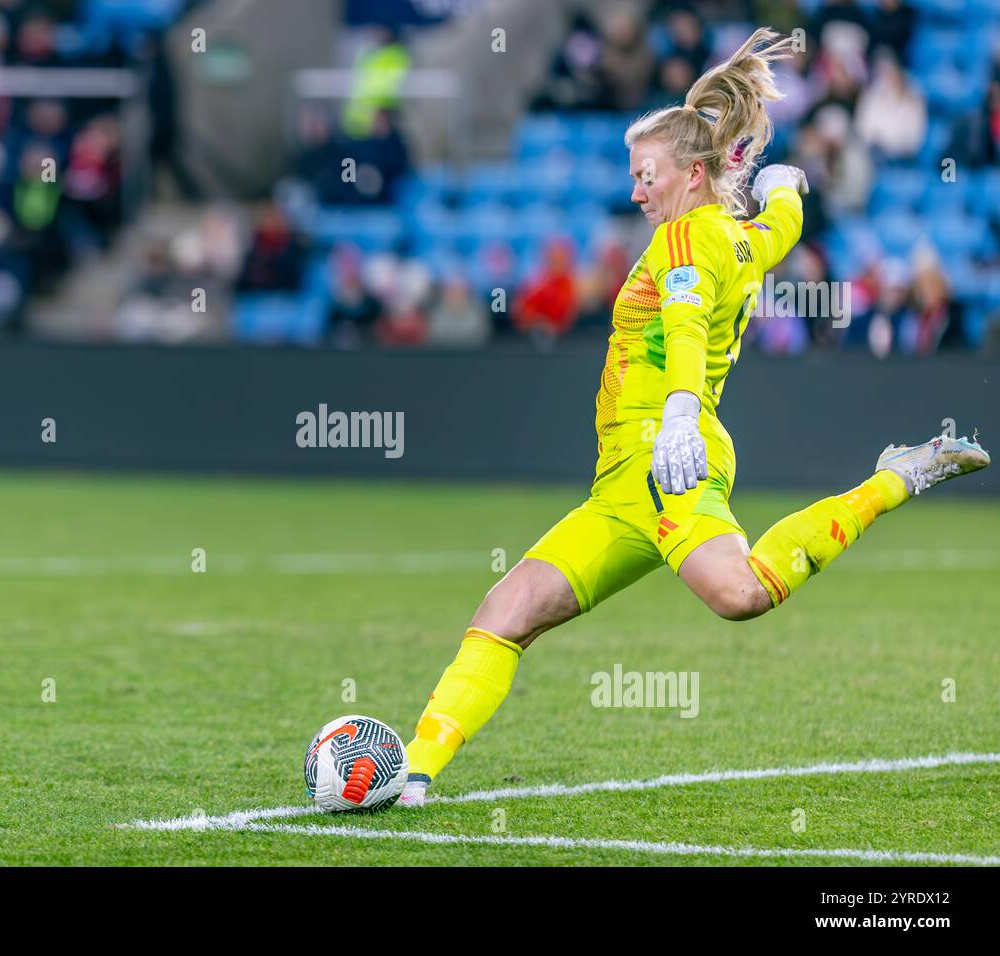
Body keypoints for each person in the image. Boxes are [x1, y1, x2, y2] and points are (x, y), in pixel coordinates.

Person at [397, 28, 990, 808]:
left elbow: (681, 328)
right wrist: (782, 189)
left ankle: (893, 479)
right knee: (504, 615)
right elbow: (782, 229)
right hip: (620, 485)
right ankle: (411, 775)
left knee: (738, 596)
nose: (636, 190)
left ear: (694, 173)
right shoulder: (735, 235)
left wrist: (678, 413)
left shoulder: (684, 238)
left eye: (646, 174)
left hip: (671, 457)